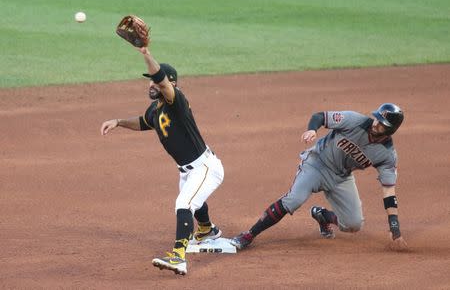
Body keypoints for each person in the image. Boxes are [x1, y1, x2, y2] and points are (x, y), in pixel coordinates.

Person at [101, 45, 224, 275]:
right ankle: (207, 229)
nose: (152, 84)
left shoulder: (175, 102)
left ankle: (178, 257)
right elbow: (142, 122)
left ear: (171, 85)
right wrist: (117, 121)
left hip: (205, 167)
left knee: (184, 204)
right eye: (149, 81)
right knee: (192, 200)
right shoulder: (155, 109)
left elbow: (162, 80)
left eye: (157, 81)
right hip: (187, 171)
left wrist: (146, 54)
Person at [231, 103, 408, 252]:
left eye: (382, 124)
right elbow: (320, 116)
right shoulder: (355, 120)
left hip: (341, 178)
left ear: (391, 130)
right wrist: (312, 130)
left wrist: (395, 228)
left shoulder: (387, 155)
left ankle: (322, 216)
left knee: (353, 224)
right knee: (294, 200)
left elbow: (389, 190)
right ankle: (249, 235)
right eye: (377, 118)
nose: (376, 123)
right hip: (316, 164)